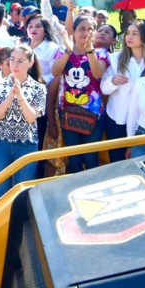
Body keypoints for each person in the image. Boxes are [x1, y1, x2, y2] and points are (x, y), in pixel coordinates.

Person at [48, 15, 111, 174]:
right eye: (82, 29)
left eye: (90, 29)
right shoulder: (62, 51)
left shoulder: (101, 53)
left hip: (94, 115)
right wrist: (68, 51)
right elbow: (55, 72)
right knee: (74, 158)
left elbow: (98, 74)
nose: (86, 32)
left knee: (90, 158)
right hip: (69, 113)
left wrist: (89, 50)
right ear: (74, 31)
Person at [0, 44, 45, 199]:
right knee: (1, 190)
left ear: (30, 63)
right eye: (12, 59)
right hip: (1, 144)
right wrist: (10, 97)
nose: (15, 64)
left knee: (22, 191)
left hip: (26, 146)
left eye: (20, 61)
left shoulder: (39, 88)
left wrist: (20, 95)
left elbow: (31, 117)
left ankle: (18, 216)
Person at [100, 19, 145, 162]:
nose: (129, 37)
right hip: (117, 118)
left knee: (140, 161)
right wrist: (112, 81)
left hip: (143, 120)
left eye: (135, 34)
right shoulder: (115, 59)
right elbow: (104, 89)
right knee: (117, 161)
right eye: (128, 33)